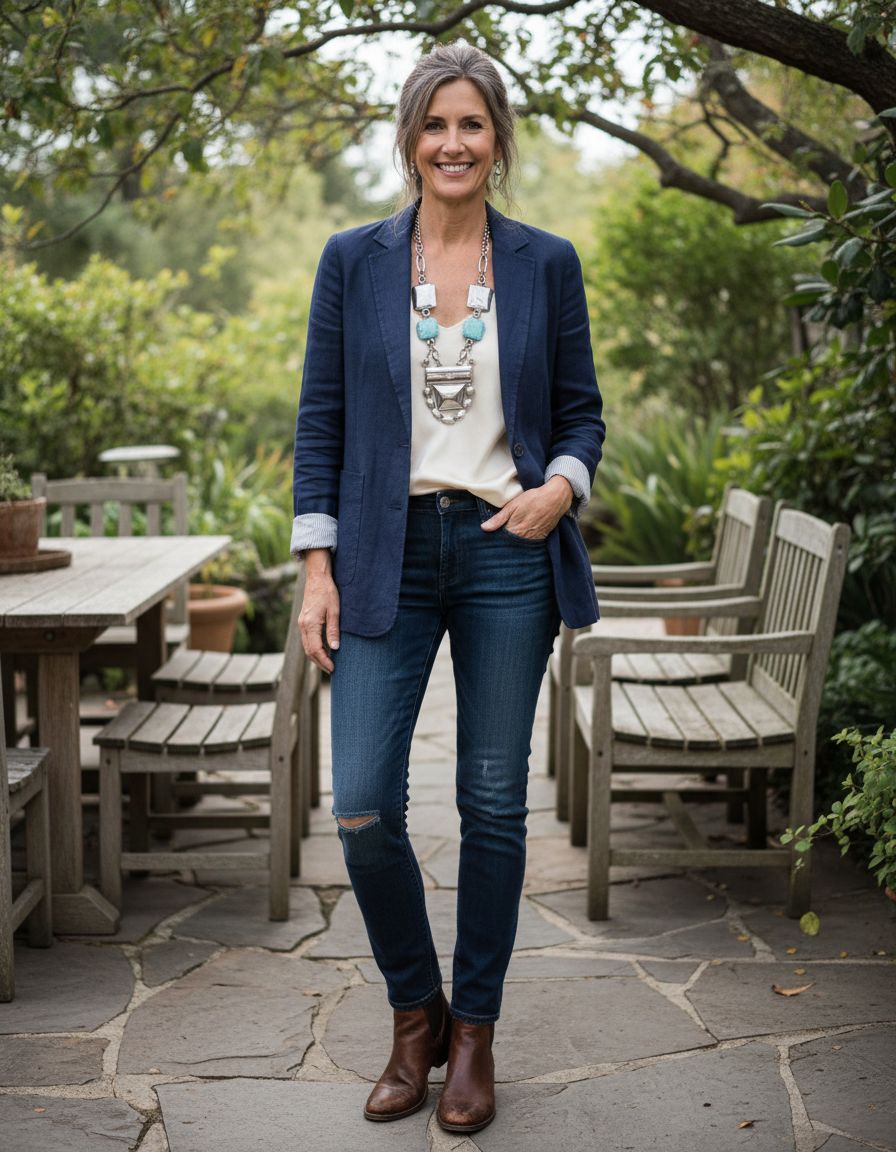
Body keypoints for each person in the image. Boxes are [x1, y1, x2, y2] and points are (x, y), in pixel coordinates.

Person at [291, 39, 605, 1135]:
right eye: (435, 124)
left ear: (497, 140)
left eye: (471, 123)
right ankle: (412, 1010)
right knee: (363, 805)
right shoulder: (353, 261)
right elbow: (321, 421)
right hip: (383, 554)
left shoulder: (545, 263)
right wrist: (316, 569)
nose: (452, 142)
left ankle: (472, 1032)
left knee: (492, 805)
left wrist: (558, 488)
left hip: (506, 550)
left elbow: (581, 414)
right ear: (409, 139)